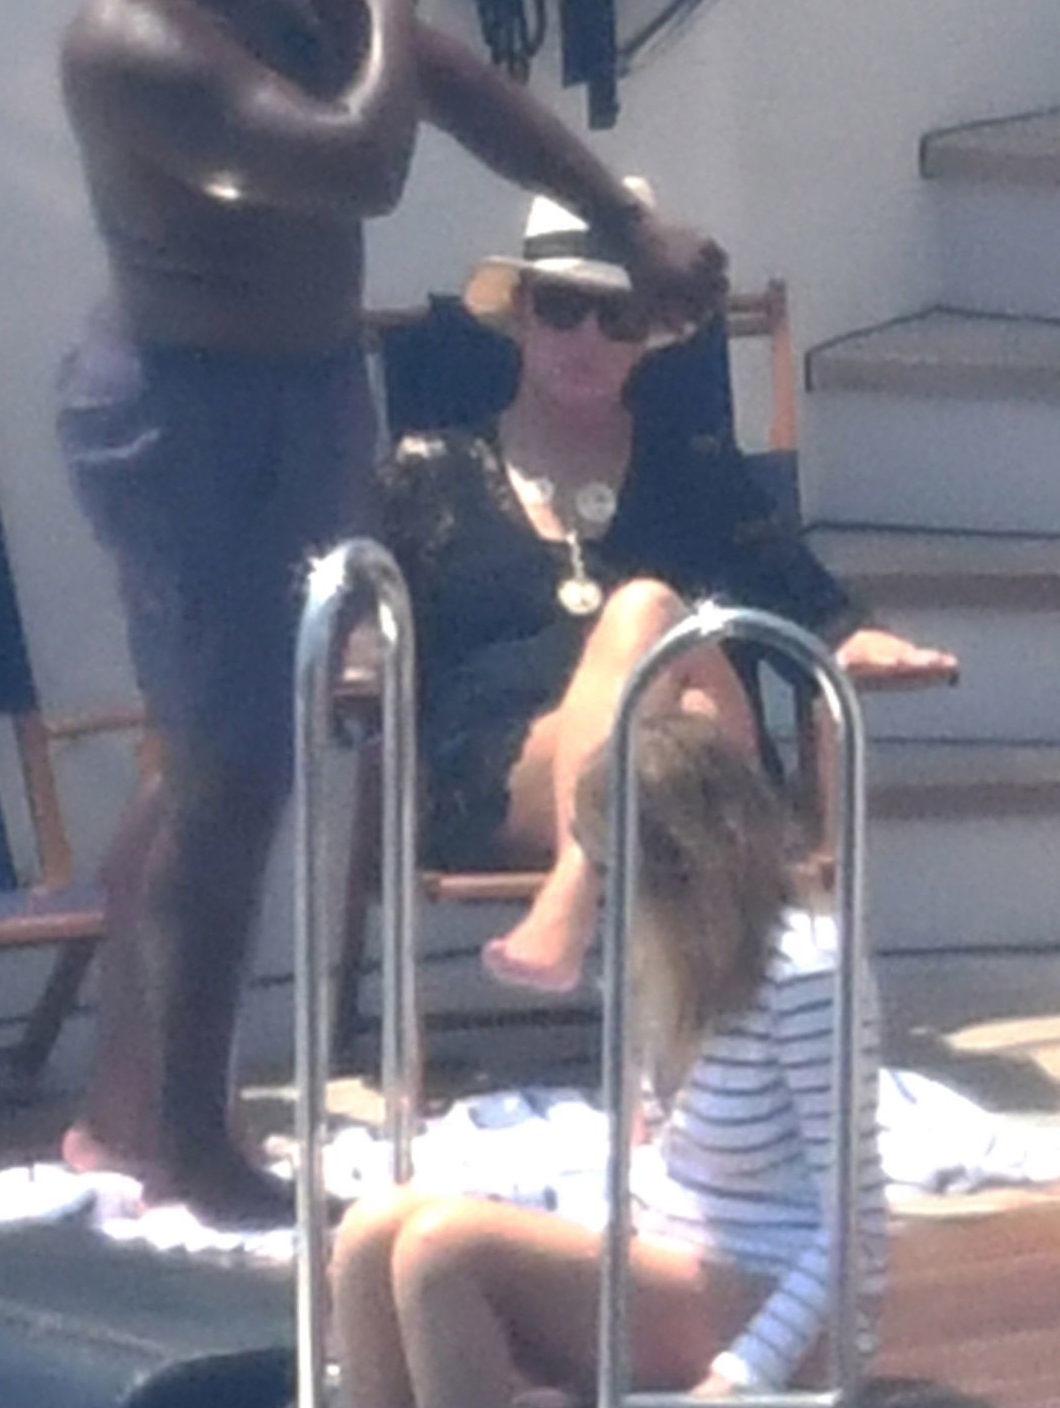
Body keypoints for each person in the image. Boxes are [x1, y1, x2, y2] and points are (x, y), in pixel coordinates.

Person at [57, 0, 728, 1223]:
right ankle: (189, 1138)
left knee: (238, 751)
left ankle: (126, 1109)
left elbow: (441, 88)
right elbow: (359, 161)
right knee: (230, 765)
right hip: (185, 418)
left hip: (306, 396)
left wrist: (622, 221)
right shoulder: (132, 34)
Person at [378, 187, 957, 993]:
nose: (587, 336)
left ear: (646, 336)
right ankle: (721, 1015)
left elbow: (802, 598)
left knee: (652, 620)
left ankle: (571, 894)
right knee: (671, 678)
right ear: (520, 312)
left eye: (616, 316)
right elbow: (368, 627)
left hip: (697, 772)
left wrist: (854, 640)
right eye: (562, 307)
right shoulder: (432, 472)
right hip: (507, 775)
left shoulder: (694, 471)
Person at [332, 710, 889, 1408]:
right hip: (673, 1264)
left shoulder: (808, 969)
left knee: (441, 1250)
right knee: (372, 1229)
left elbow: (857, 1225)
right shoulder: (664, 961)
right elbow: (651, 1166)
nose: (606, 893)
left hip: (779, 1306)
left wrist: (732, 1386)